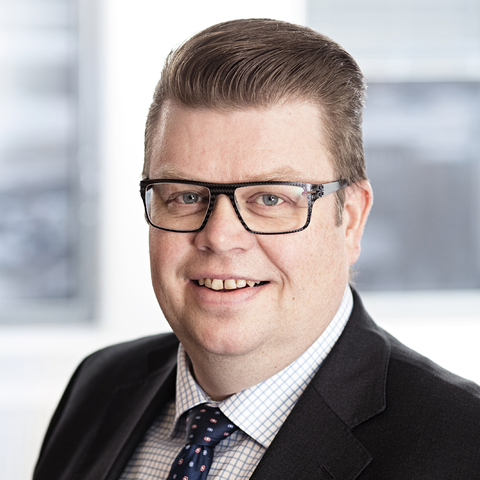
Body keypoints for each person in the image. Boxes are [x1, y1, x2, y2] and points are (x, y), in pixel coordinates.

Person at [33, 18, 480, 480]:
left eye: (269, 199)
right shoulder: (99, 386)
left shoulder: (464, 448)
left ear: (349, 219)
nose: (220, 237)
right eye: (186, 196)